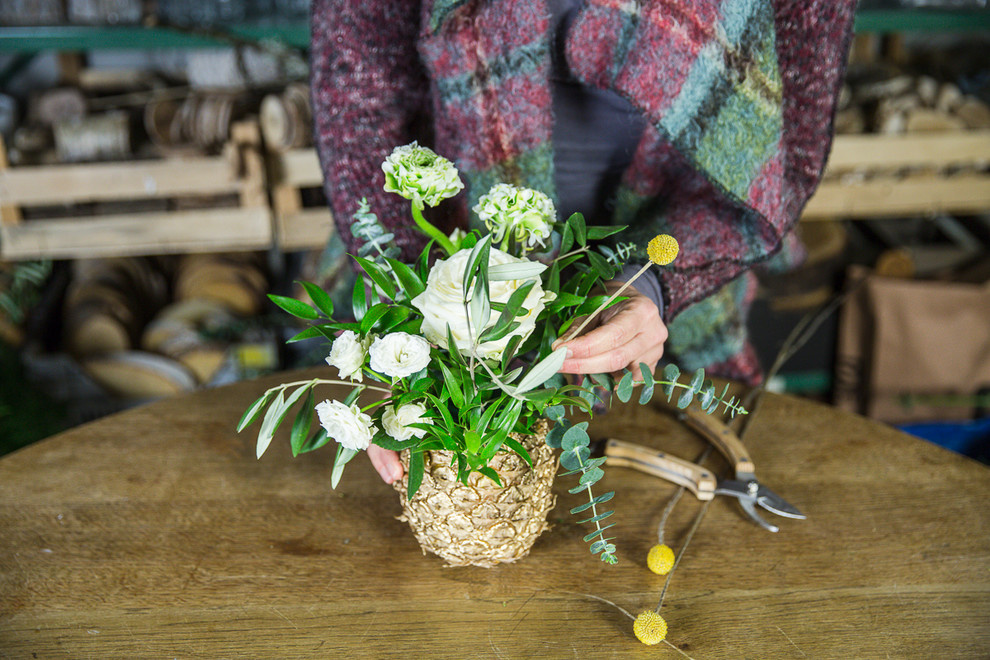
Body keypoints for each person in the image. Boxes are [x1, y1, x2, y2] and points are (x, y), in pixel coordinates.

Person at [310, 0, 856, 483]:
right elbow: (360, 104)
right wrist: (402, 330)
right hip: (446, 301)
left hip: (677, 321)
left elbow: (787, 154)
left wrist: (655, 281)